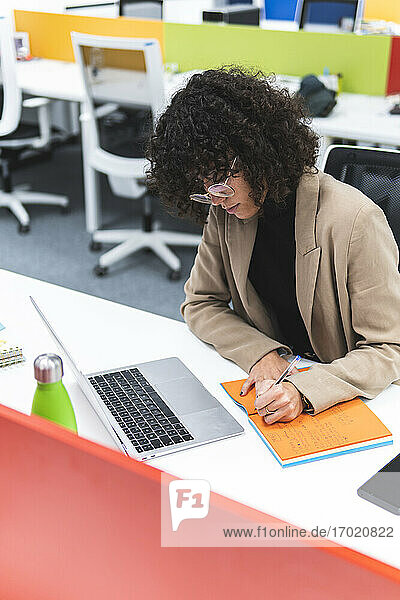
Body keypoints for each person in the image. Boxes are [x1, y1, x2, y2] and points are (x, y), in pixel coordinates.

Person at [146, 67, 400, 424]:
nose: (215, 197)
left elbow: (388, 349)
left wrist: (307, 389)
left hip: (344, 398)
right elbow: (201, 303)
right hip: (270, 391)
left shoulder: (355, 220)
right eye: (203, 186)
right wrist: (261, 353)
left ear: (258, 153)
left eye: (220, 177)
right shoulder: (225, 211)